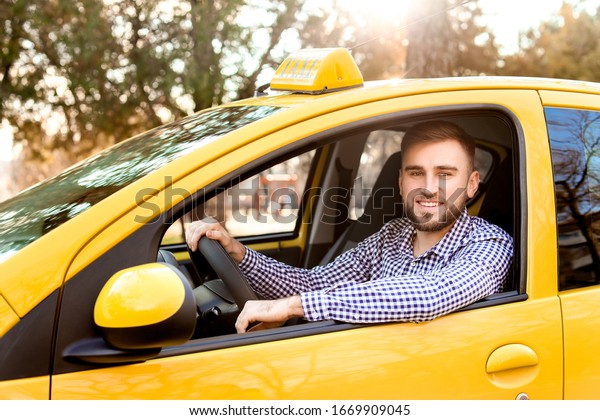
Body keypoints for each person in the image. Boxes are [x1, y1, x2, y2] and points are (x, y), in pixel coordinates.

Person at [186, 120, 513, 333]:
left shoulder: (490, 244)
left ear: (471, 184)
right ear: (400, 182)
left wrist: (293, 307)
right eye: (416, 172)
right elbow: (312, 283)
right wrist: (238, 252)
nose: (428, 187)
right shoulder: (392, 235)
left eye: (445, 174)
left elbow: (431, 293)